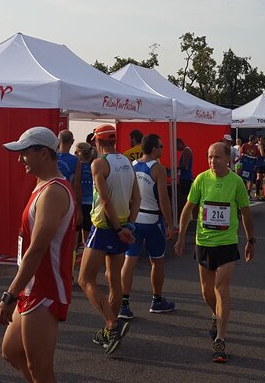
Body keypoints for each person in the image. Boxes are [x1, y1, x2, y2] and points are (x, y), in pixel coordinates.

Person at [0, 127, 76, 382]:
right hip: (32, 286)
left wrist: (10, 293)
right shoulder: (42, 187)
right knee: (11, 352)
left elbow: (38, 248)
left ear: (43, 154)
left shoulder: (53, 191)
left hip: (45, 288)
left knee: (39, 367)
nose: (20, 159)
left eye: (24, 153)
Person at [175, 142, 255, 363]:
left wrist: (250, 239)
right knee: (206, 293)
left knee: (221, 289)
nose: (212, 161)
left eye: (217, 157)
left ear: (228, 159)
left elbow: (246, 213)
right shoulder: (201, 179)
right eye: (209, 157)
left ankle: (220, 339)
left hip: (227, 243)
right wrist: (182, 236)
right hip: (204, 242)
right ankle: (216, 314)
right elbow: (188, 208)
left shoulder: (236, 182)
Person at [77, 124, 140, 356]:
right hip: (122, 224)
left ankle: (112, 325)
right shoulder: (126, 162)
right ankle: (107, 332)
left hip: (104, 226)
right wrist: (128, 226)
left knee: (85, 279)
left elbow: (104, 201)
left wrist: (116, 228)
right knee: (113, 281)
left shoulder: (99, 163)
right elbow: (137, 197)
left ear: (96, 141)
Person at [119, 134, 175, 320]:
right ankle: (157, 300)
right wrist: (170, 223)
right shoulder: (158, 168)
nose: (163, 149)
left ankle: (124, 303)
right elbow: (164, 198)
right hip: (153, 220)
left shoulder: (132, 166)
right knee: (157, 261)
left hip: (134, 219)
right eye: (161, 146)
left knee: (130, 260)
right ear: (153, 149)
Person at [177, 138, 194, 206]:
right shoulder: (185, 150)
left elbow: (184, 165)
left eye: (176, 146)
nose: (176, 149)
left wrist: (175, 168)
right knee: (184, 198)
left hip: (186, 178)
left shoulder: (186, 150)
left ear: (179, 143)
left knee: (186, 198)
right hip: (184, 178)